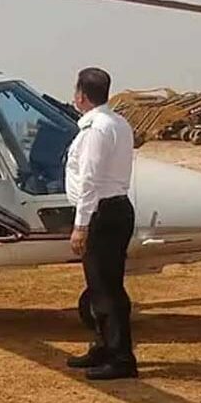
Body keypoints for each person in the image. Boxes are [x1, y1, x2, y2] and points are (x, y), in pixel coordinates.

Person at [64, 67, 138, 380]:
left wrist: (81, 225)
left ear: (82, 95)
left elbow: (90, 180)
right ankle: (105, 347)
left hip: (102, 213)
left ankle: (120, 358)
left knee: (106, 289)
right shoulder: (118, 123)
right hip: (115, 209)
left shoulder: (96, 129)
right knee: (102, 286)